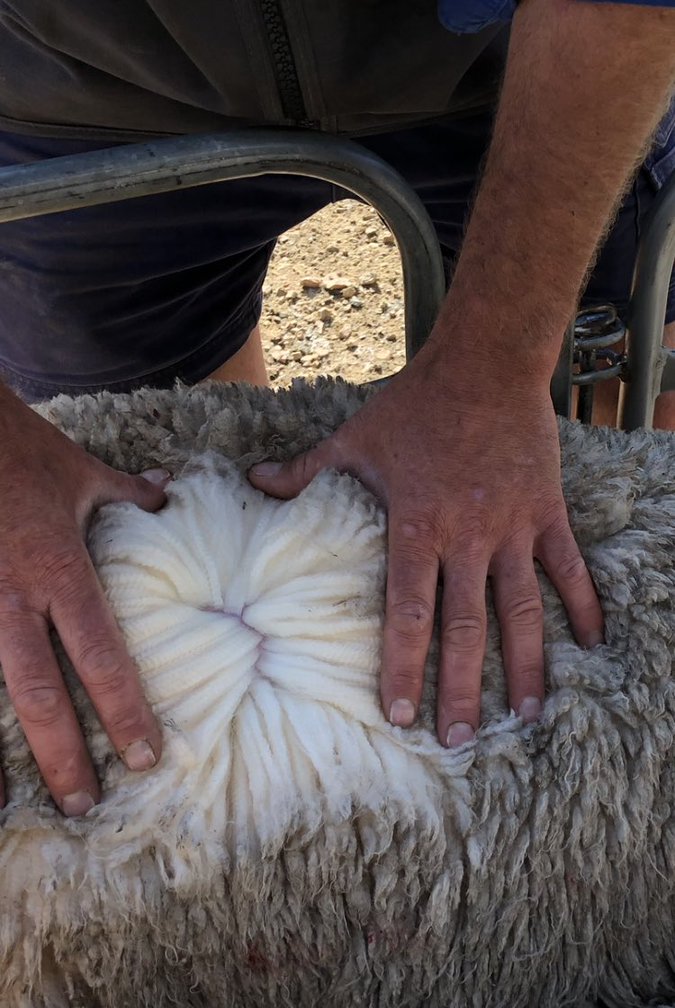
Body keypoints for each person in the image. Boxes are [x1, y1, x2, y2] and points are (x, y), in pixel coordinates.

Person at [0, 0, 672, 816]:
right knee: (173, 474)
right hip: (94, 85)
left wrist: (496, 371)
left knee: (600, 498)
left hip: (521, 63)